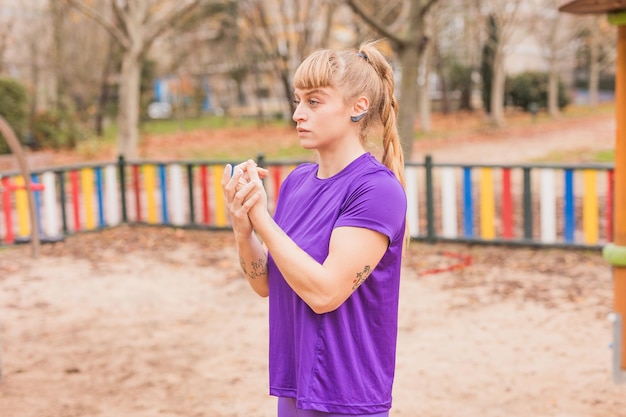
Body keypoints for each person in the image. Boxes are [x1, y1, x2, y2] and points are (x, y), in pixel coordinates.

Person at [221, 40, 407, 417]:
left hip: (346, 396)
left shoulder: (377, 190)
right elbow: (266, 285)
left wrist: (262, 218)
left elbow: (325, 293)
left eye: (314, 101)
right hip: (295, 386)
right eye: (297, 101)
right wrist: (244, 230)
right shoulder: (297, 182)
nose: (298, 115)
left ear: (358, 108)